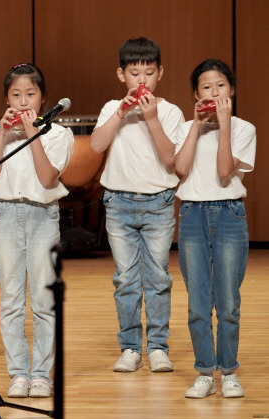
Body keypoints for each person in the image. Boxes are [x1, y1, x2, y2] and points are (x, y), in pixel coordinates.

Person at [91, 37, 184, 372]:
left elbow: (170, 158)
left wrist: (152, 117)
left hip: (159, 202)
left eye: (148, 72)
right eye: (134, 73)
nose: (141, 80)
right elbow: (97, 145)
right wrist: (121, 112)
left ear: (160, 73)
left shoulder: (170, 111)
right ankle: (130, 347)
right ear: (121, 75)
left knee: (158, 276)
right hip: (118, 203)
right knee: (126, 278)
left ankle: (157, 346)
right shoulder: (110, 108)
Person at [0, 63, 74, 398]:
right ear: (6, 98)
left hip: (42, 215)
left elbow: (48, 179)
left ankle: (41, 374)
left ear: (43, 97)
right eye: (16, 95)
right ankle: (18, 373)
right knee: (10, 300)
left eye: (30, 94)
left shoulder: (59, 134)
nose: (23, 102)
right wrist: (4, 134)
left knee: (44, 300)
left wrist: (33, 134)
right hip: (4, 215)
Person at [175, 59, 255, 399]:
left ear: (232, 90)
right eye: (206, 87)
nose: (214, 92)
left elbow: (225, 172)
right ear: (195, 94)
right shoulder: (185, 126)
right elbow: (180, 169)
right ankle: (205, 372)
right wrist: (195, 126)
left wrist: (223, 124)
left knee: (228, 302)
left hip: (229, 215)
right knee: (197, 303)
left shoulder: (242, 128)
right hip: (192, 215)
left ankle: (230, 371)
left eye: (221, 86)